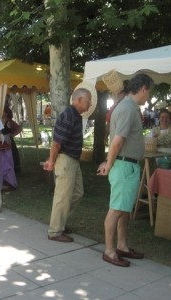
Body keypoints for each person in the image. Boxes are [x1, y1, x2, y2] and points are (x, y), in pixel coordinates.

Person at [97, 73, 154, 267]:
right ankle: (109, 251)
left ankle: (121, 246)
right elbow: (117, 141)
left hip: (127, 165)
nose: (148, 96)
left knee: (124, 209)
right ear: (143, 88)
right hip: (123, 165)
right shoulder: (128, 108)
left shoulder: (128, 107)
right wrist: (109, 163)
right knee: (116, 210)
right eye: (149, 92)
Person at [43, 88, 92, 242]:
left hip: (73, 161)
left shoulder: (76, 116)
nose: (90, 104)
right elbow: (57, 143)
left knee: (78, 193)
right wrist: (51, 161)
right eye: (88, 101)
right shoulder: (69, 116)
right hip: (65, 160)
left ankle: (60, 223)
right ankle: (55, 231)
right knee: (62, 196)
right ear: (78, 100)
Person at [1, 106, 22, 174]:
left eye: (3, 112)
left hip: (8, 140)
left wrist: (12, 134)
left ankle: (11, 169)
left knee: (11, 154)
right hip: (0, 139)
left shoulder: (9, 121)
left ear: (6, 113)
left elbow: (19, 128)